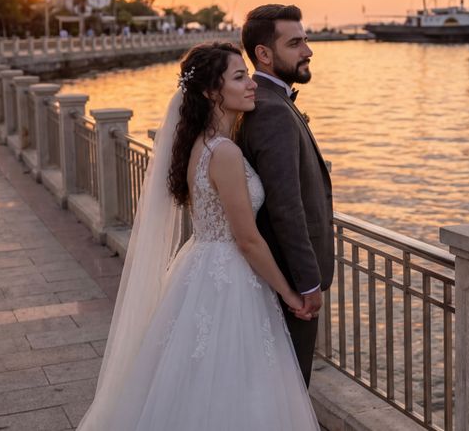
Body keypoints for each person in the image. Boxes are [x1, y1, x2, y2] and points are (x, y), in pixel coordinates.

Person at [77, 41, 319, 430]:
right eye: (239, 77)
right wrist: (291, 294)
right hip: (231, 277)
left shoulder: (200, 144)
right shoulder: (223, 152)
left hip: (202, 265)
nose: (251, 83)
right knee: (232, 386)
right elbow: (247, 239)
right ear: (211, 91)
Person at [237, 4, 334, 385]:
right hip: (290, 283)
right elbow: (286, 206)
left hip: (278, 276)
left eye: (305, 40)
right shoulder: (270, 110)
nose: (307, 51)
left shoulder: (263, 101)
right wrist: (308, 283)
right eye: (295, 43)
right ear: (264, 53)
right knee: (290, 387)